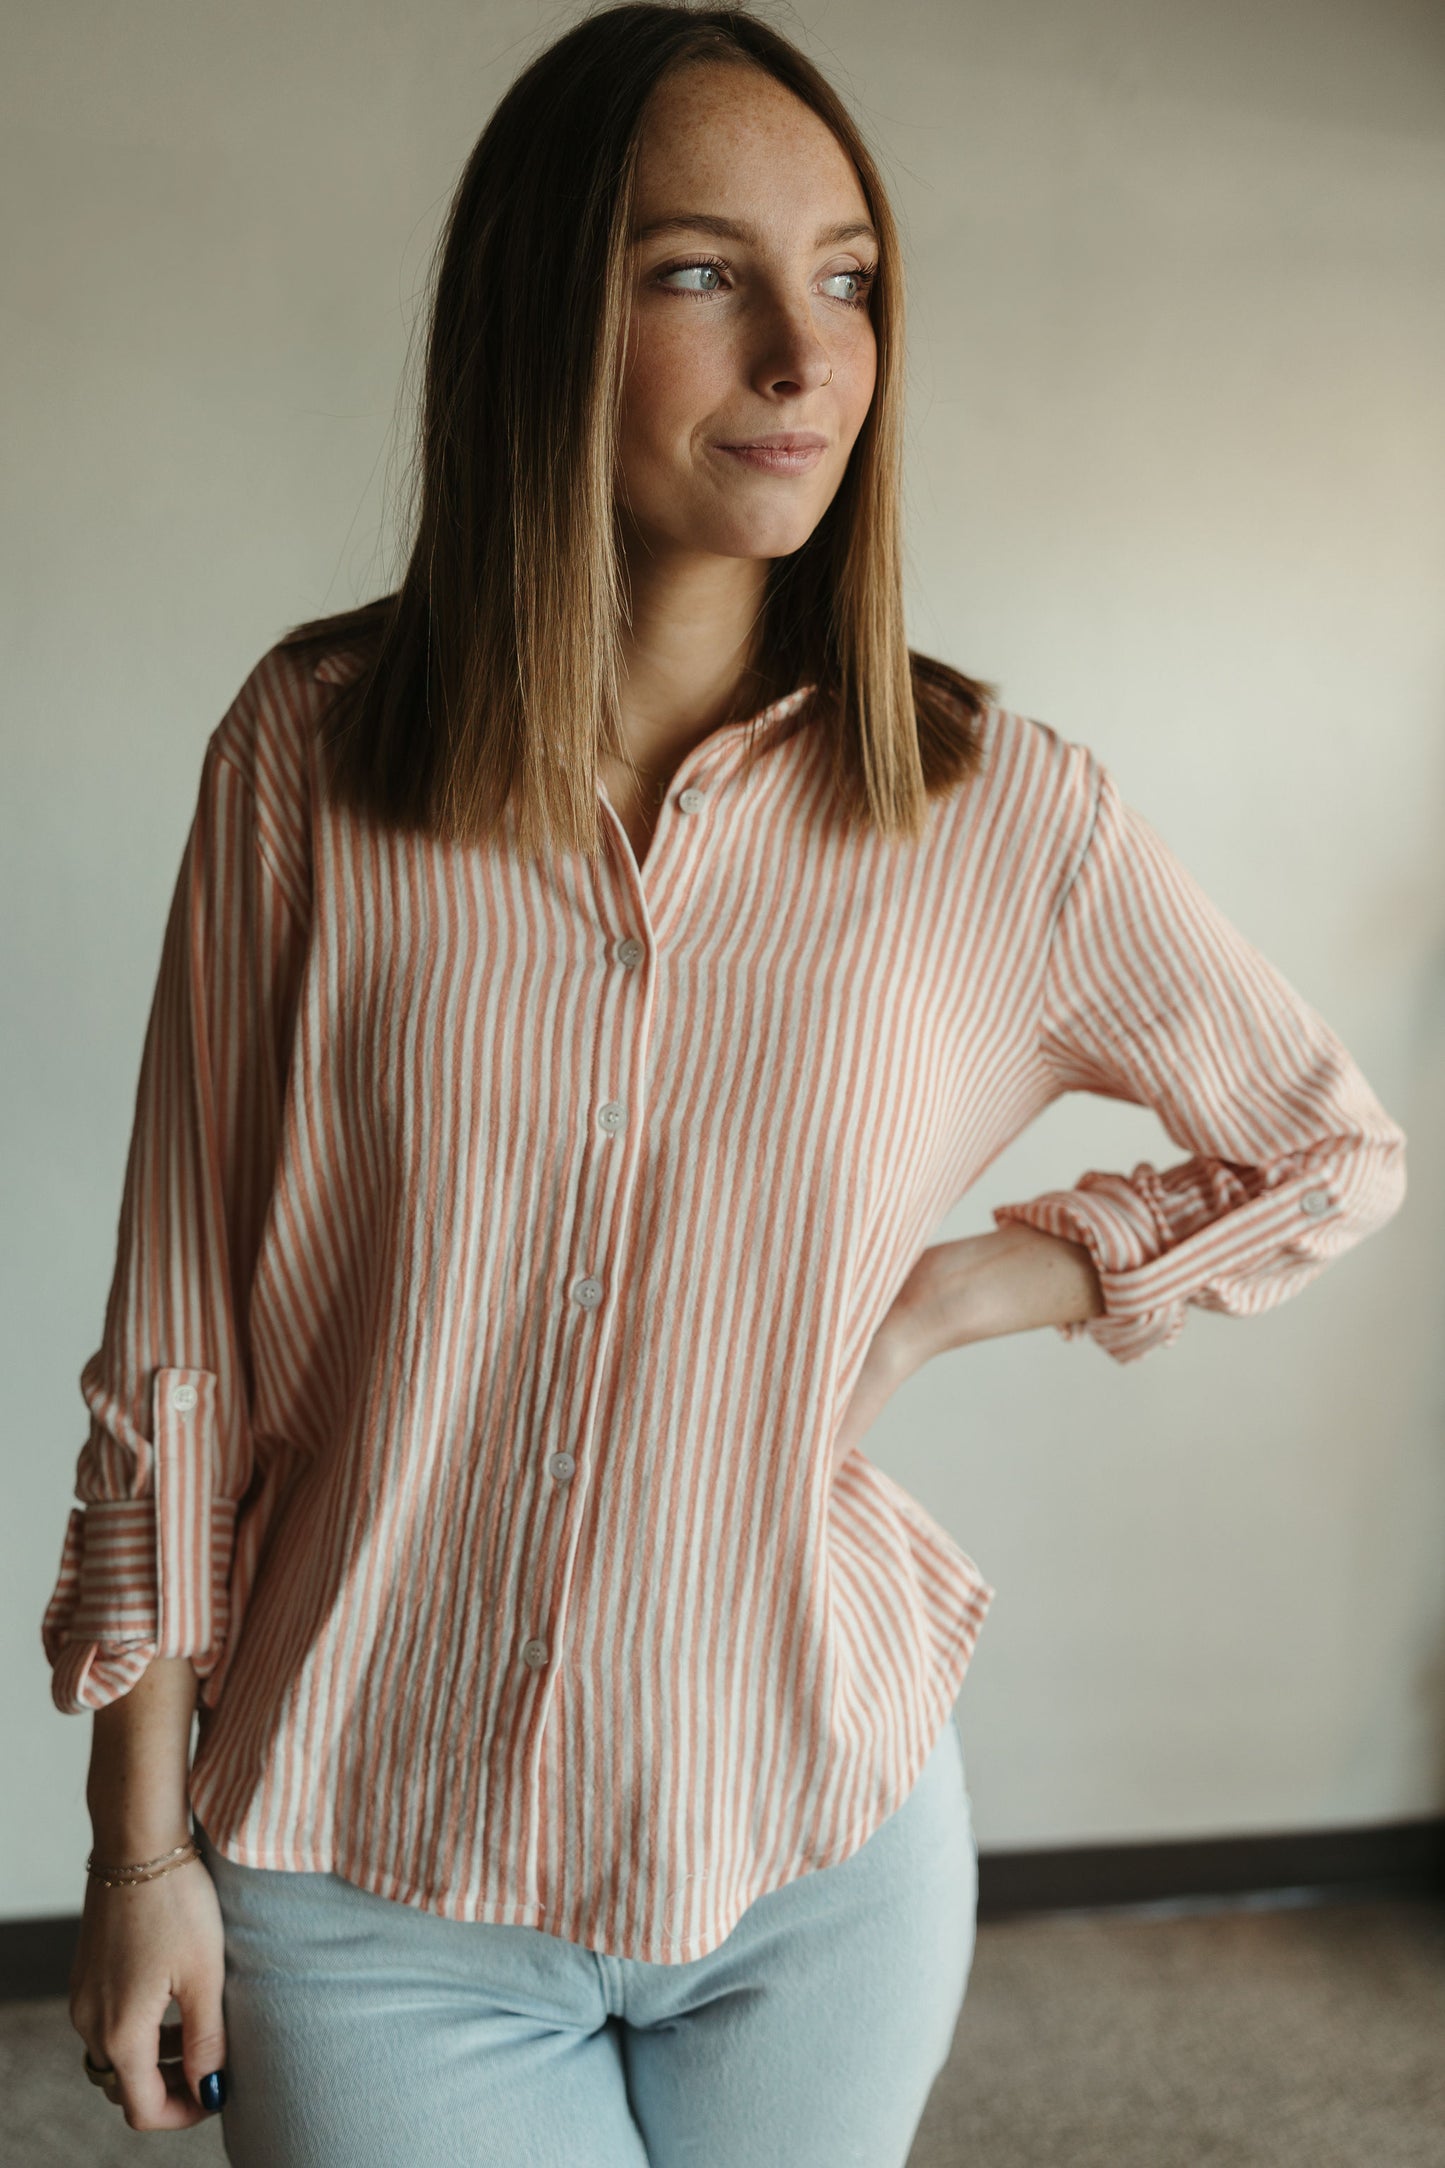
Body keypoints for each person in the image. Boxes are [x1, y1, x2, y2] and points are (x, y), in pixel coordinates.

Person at [44, 6, 1407, 2164]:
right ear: (537, 320)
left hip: (821, 1852)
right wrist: (135, 1852)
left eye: (848, 277)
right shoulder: (309, 753)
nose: (804, 355)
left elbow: (1331, 1146)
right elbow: (178, 1344)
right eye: (699, 272)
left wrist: (972, 1285)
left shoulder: (995, 807)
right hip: (365, 1870)